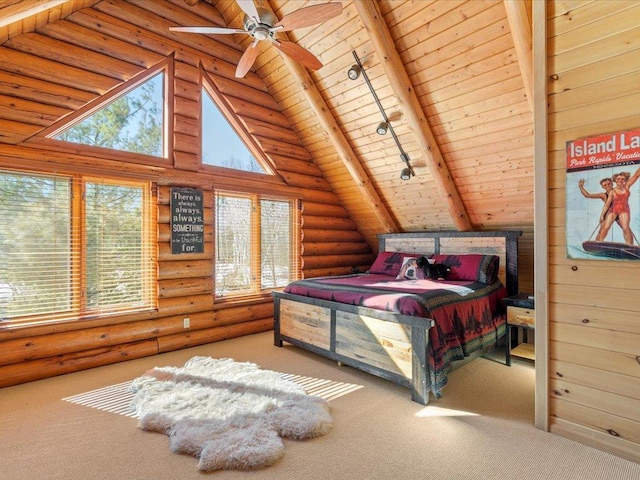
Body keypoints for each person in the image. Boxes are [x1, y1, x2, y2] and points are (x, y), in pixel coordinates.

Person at [596, 167, 640, 245]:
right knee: (606, 228)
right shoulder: (612, 191)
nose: (620, 180)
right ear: (615, 180)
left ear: (625, 180)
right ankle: (599, 243)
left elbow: (636, 175)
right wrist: (602, 215)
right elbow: (607, 205)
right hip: (613, 211)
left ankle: (630, 246)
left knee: (626, 228)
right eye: (618, 179)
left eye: (622, 179)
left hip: (624, 210)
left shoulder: (627, 186)